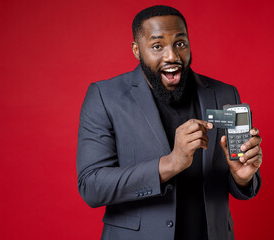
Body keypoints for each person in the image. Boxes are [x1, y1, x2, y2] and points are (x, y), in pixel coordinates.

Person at [76, 5, 262, 240]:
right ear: (136, 50)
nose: (172, 56)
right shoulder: (105, 97)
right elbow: (91, 187)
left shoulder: (224, 94)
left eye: (180, 43)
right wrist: (171, 163)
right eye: (157, 46)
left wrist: (242, 177)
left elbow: (236, 183)